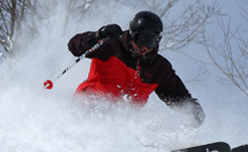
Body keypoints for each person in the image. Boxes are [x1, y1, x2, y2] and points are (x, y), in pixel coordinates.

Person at [67, 11, 205, 126]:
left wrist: (192, 109)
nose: (144, 46)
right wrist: (98, 35)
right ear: (132, 34)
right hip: (89, 105)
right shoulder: (112, 46)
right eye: (140, 39)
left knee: (140, 126)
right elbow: (75, 46)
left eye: (150, 41)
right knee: (102, 117)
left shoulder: (159, 68)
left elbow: (175, 93)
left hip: (121, 121)